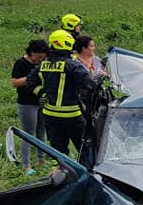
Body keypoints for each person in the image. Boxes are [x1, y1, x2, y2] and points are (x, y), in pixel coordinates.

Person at [26, 29, 97, 157]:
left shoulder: (42, 65)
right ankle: (88, 173)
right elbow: (89, 84)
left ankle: (60, 174)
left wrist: (42, 93)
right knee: (85, 149)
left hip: (50, 115)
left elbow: (30, 81)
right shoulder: (73, 66)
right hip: (72, 115)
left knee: (58, 151)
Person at [11, 39, 48, 175]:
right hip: (26, 103)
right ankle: (26, 165)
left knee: (41, 131)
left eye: (42, 58)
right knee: (28, 133)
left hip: (41, 100)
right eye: (37, 57)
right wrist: (32, 77)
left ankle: (41, 160)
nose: (39, 60)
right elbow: (14, 82)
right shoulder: (20, 63)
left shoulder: (44, 63)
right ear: (31, 53)